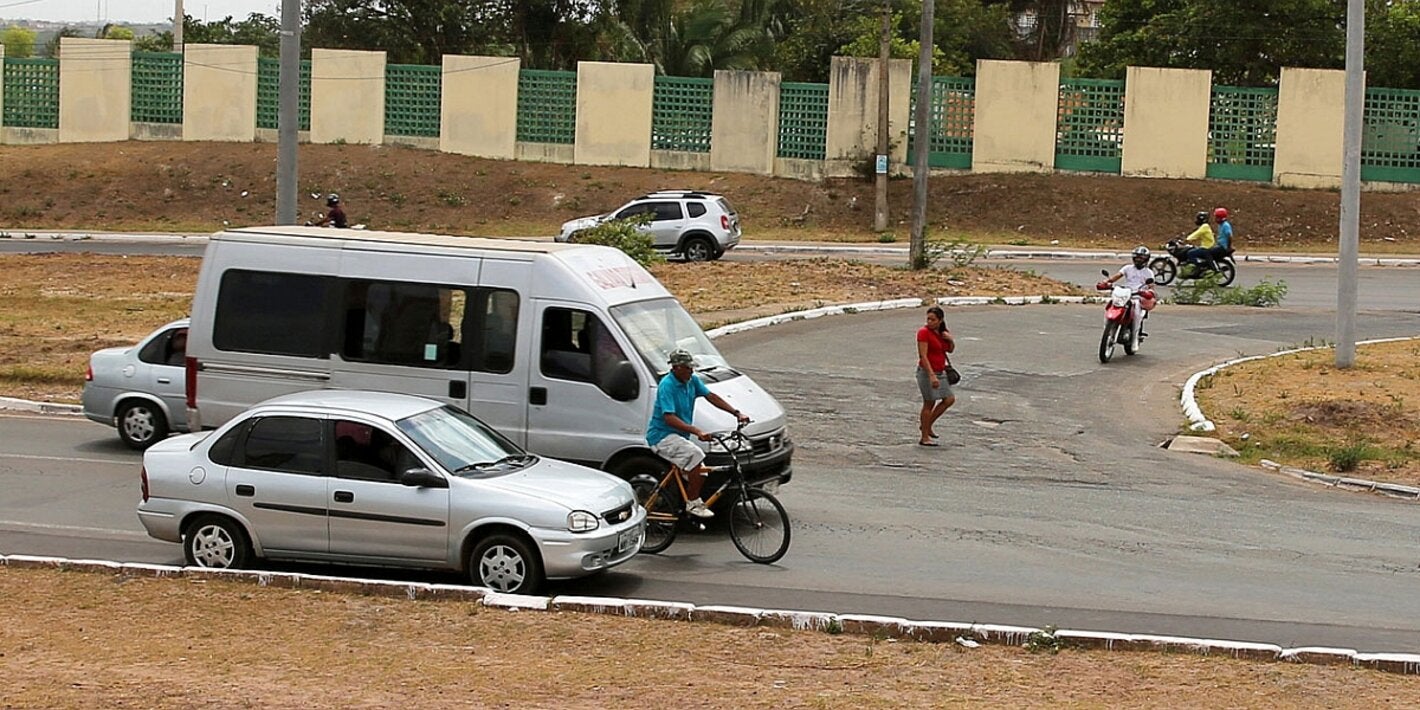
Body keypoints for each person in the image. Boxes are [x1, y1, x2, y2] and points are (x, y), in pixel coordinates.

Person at [646, 349, 750, 518]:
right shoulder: (667, 386)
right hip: (662, 436)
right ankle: (693, 503)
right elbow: (669, 418)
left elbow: (711, 397)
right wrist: (697, 431)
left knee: (701, 471)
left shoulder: (692, 380)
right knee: (696, 454)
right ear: (677, 367)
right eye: (688, 368)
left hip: (679, 437)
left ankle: (685, 503)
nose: (691, 370)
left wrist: (736, 413)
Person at [915, 306, 956, 447]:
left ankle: (927, 425)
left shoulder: (942, 332)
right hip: (927, 372)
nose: (929, 322)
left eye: (933, 320)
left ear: (940, 320)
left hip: (941, 370)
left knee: (949, 399)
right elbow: (923, 356)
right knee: (929, 402)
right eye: (928, 319)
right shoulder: (923, 333)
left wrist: (951, 340)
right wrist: (931, 375)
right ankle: (924, 437)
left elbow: (949, 350)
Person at [1102, 246, 1156, 339]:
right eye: (1137, 257)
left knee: (1137, 313)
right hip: (1125, 293)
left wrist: (1149, 292)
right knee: (1112, 304)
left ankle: (1135, 336)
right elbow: (1117, 276)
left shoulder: (1149, 272)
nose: (1138, 260)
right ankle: (1107, 327)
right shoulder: (1127, 268)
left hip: (1138, 295)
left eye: (1141, 258)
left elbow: (1151, 286)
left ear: (1146, 259)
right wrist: (1106, 282)